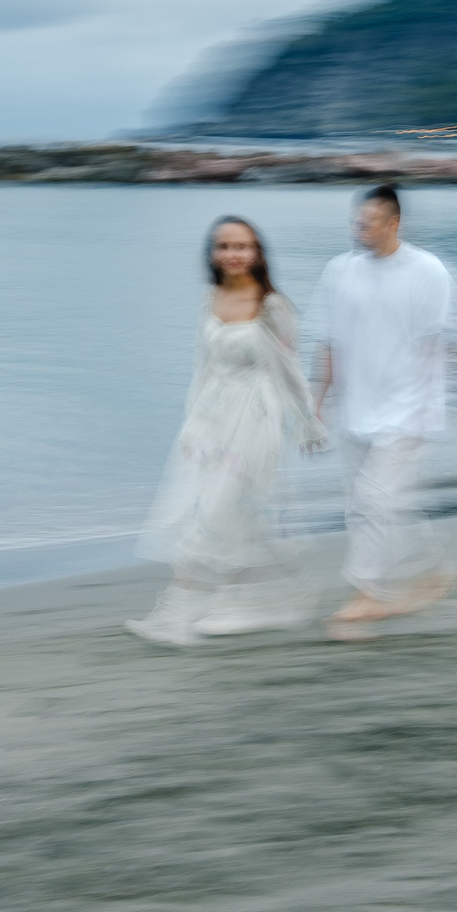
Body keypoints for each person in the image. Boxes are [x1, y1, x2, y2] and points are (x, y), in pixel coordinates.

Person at [129, 216, 324, 646]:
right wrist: (192, 422)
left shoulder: (272, 305)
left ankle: (177, 615)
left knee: (215, 512)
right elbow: (203, 366)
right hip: (213, 419)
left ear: (257, 253)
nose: (233, 254)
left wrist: (308, 422)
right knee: (234, 515)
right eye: (224, 246)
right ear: (212, 253)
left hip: (256, 418)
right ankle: (261, 600)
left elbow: (290, 369)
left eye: (242, 246)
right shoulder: (211, 296)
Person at [311, 184, 457, 641]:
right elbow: (328, 341)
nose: (358, 229)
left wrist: (431, 409)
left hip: (409, 411)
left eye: (367, 222)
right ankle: (431, 567)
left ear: (393, 223)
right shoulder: (338, 271)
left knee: (375, 499)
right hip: (356, 407)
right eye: (355, 221)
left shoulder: (427, 271)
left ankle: (368, 592)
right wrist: (317, 402)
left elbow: (437, 344)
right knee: (374, 503)